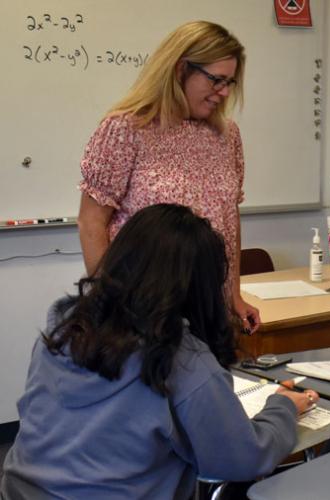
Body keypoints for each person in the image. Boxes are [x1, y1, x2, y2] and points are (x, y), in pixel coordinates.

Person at [1, 204, 319, 499]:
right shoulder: (182, 359)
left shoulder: (66, 325)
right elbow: (244, 459)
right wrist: (283, 407)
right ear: (200, 285)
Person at [77, 21, 260, 334]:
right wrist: (111, 301)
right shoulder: (126, 129)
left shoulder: (226, 135)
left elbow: (229, 218)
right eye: (217, 80)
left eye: (230, 82)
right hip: (144, 314)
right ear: (180, 70)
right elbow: (91, 223)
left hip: (207, 310)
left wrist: (233, 295)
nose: (224, 92)